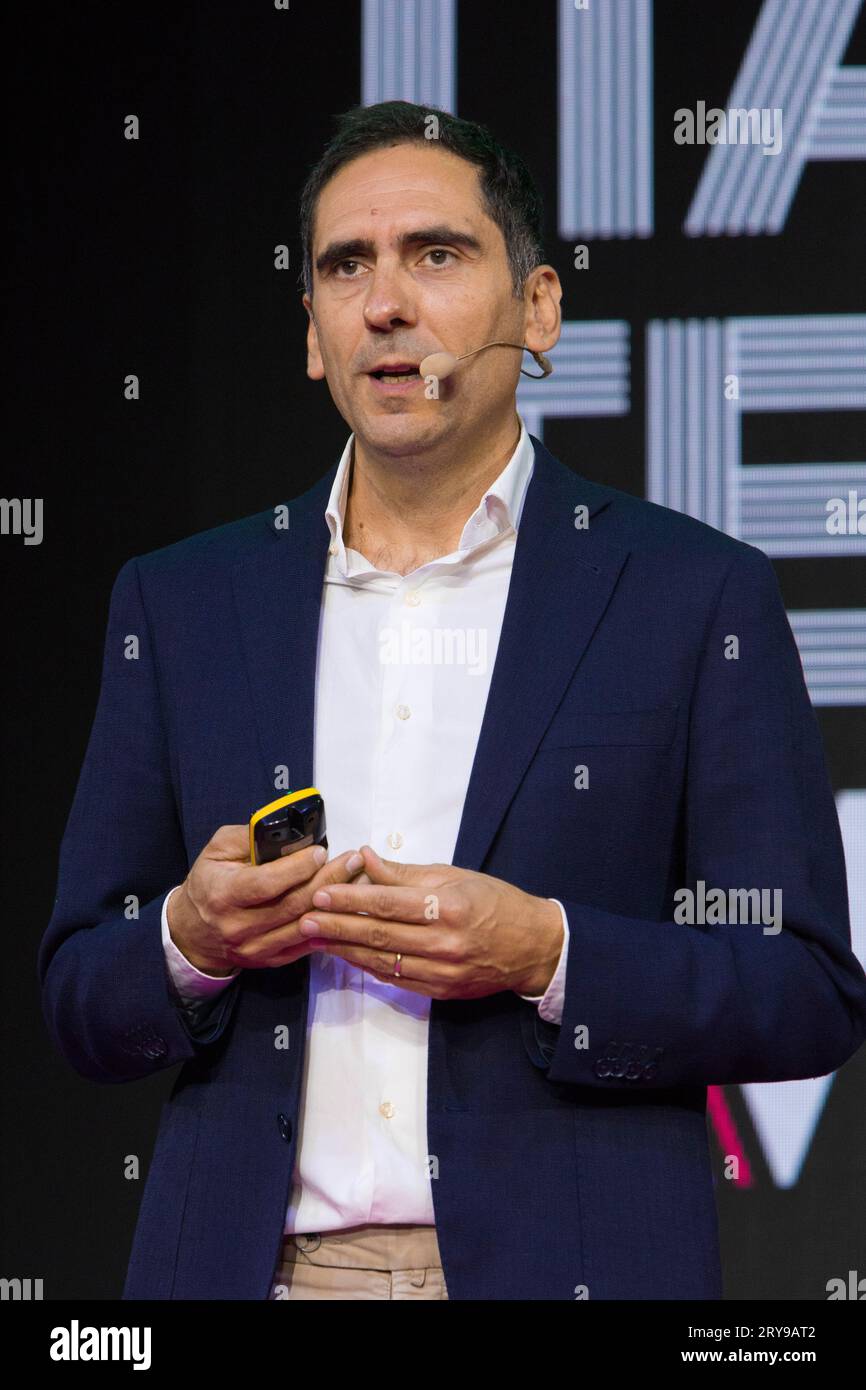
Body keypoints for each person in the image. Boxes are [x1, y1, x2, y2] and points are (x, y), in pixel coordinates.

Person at [39, 99, 866, 1301]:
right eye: (344, 267)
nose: (386, 302)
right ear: (314, 335)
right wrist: (191, 942)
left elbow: (803, 993)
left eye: (435, 254)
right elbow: (78, 996)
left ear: (537, 310)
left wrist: (548, 953)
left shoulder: (689, 594)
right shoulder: (181, 603)